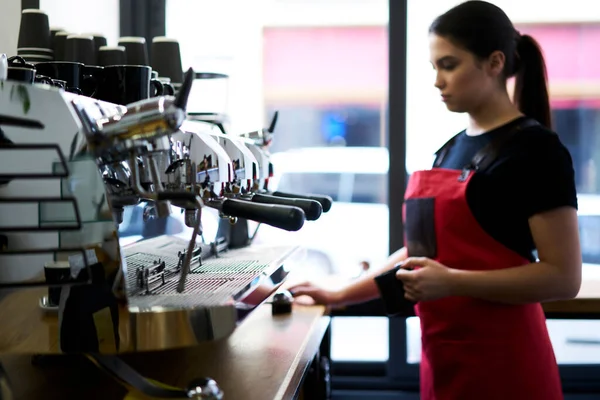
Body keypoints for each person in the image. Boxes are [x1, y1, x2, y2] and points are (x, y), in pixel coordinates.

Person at [288, 1, 582, 399]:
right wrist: (341, 293)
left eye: (449, 65)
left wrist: (452, 282)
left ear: (494, 63)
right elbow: (419, 253)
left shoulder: (536, 151)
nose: (437, 81)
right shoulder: (449, 151)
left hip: (507, 366)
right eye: (434, 68)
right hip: (443, 361)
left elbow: (563, 277)